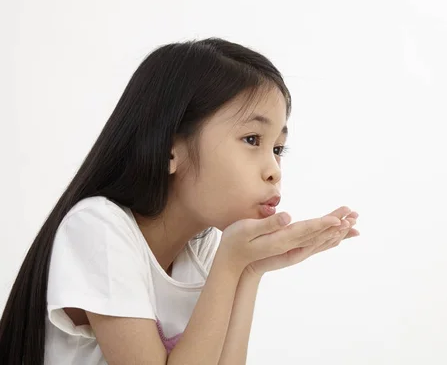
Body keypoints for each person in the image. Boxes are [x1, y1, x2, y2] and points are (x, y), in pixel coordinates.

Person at [0, 38, 360, 364]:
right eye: (252, 139)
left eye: (278, 148)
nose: (274, 170)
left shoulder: (199, 249)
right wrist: (231, 265)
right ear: (170, 148)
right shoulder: (97, 226)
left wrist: (249, 269)